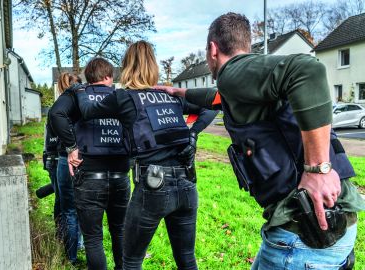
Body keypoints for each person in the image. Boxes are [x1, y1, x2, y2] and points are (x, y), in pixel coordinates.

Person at [155, 12, 365, 269]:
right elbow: (218, 97)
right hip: (331, 227)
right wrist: (180, 92)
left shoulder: (231, 72)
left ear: (212, 49)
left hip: (302, 238)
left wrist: (318, 168)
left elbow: (309, 70)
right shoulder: (246, 82)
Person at [72, 41, 217, 270]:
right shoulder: (171, 95)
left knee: (131, 261)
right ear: (154, 65)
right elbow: (211, 106)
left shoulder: (124, 98)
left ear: (127, 66)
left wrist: (81, 90)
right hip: (188, 184)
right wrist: (193, 135)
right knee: (187, 259)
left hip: (154, 186)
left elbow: (88, 111)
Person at [49, 57, 131, 270]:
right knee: (120, 230)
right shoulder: (119, 96)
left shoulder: (79, 93)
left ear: (88, 77)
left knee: (94, 239)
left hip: (89, 177)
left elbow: (55, 113)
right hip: (120, 175)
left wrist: (71, 147)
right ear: (108, 77)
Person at [49, 72, 83, 264]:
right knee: (81, 208)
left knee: (67, 208)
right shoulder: (84, 104)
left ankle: (72, 255)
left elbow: (51, 137)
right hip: (80, 157)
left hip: (65, 157)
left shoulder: (61, 106)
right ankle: (79, 245)